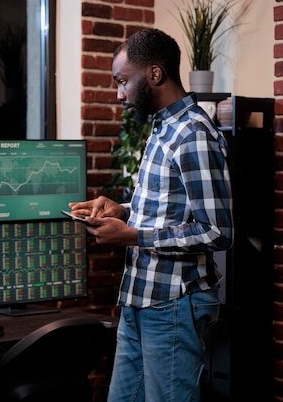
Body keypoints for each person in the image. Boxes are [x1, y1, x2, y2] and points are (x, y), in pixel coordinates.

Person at [69, 28, 233, 402]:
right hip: (140, 297)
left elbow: (217, 231)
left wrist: (131, 235)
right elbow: (170, 208)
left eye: (123, 81)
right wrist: (122, 210)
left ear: (155, 75)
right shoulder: (163, 128)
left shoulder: (193, 134)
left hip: (173, 304)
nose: (119, 94)